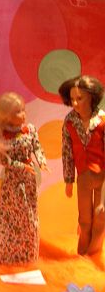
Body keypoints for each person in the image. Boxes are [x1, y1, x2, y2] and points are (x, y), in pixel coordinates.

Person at [0, 92, 49, 265]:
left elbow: (37, 147)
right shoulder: (0, 135)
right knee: (11, 217)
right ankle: (9, 255)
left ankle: (27, 255)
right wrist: (21, 166)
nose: (23, 114)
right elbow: (5, 161)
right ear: (6, 116)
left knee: (29, 216)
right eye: (18, 112)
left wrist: (41, 161)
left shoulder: (30, 130)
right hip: (12, 183)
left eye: (23, 110)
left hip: (29, 181)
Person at [59, 75, 105, 256]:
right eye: (72, 99)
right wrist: (69, 180)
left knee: (101, 217)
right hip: (83, 178)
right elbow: (67, 153)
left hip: (102, 177)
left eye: (80, 98)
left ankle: (93, 255)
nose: (75, 103)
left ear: (91, 97)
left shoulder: (102, 120)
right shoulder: (70, 121)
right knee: (85, 220)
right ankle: (82, 253)